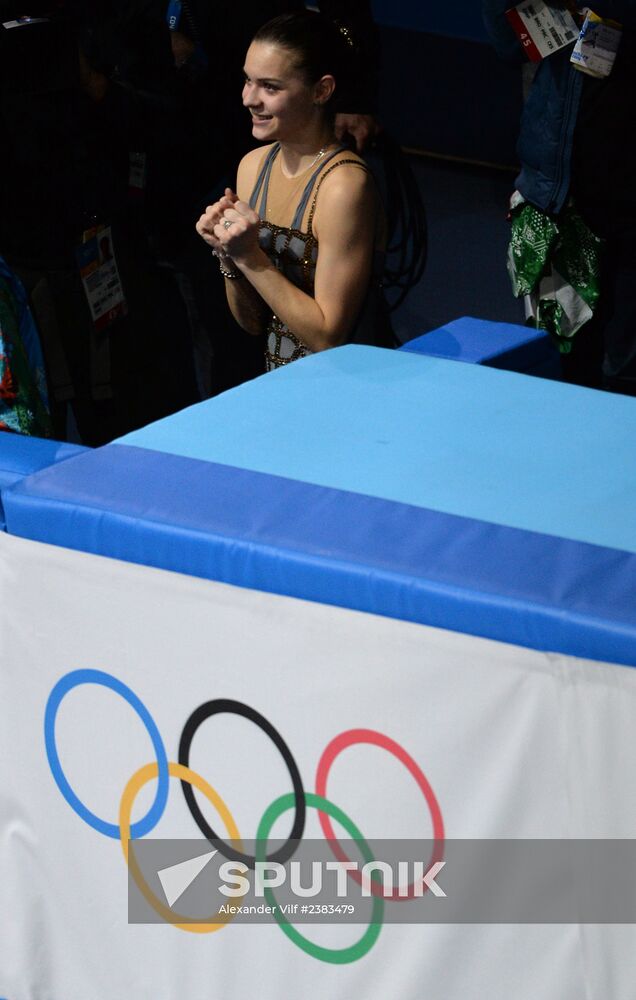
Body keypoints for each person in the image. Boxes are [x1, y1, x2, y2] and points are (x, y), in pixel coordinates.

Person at [195, 11, 392, 371]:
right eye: (248, 81)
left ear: (322, 90)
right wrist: (228, 255)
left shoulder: (343, 186)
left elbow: (328, 338)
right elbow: (253, 323)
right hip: (283, 387)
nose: (249, 99)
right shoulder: (252, 167)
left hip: (348, 391)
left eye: (270, 87)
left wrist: (250, 257)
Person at [482, 1, 636, 395]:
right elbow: (509, 45)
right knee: (559, 359)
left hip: (623, 194)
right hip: (556, 191)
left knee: (623, 367)